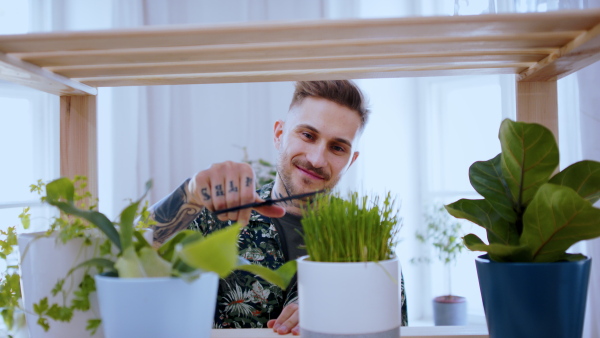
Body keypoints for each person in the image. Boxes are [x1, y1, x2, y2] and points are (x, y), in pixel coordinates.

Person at [149, 80, 408, 335]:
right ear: (278, 134)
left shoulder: (366, 237)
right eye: (307, 135)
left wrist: (338, 307)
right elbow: (125, 254)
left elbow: (397, 326)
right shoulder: (216, 215)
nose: (317, 159)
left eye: (337, 148)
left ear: (350, 161)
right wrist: (190, 194)